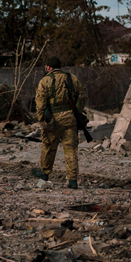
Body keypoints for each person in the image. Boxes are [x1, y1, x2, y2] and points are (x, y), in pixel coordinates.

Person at [32, 56, 86, 189]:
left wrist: (42, 120)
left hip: (53, 119)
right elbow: (82, 95)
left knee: (49, 147)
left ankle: (44, 174)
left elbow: (40, 104)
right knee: (71, 150)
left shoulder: (45, 81)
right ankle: (72, 180)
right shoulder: (72, 78)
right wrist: (77, 111)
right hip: (70, 118)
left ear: (49, 67)